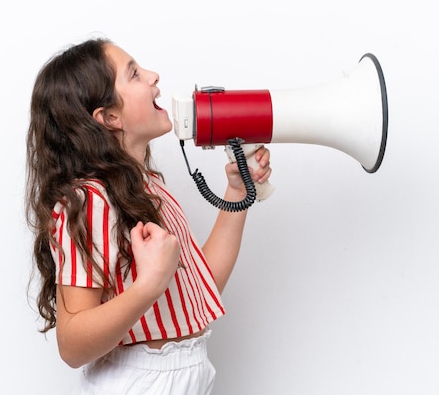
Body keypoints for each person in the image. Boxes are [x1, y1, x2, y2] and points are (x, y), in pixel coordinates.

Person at [25, 37, 272, 394]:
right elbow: (72, 345)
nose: (154, 77)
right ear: (108, 117)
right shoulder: (88, 200)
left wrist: (238, 193)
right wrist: (149, 284)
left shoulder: (150, 187)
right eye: (135, 75)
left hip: (187, 374)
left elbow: (202, 288)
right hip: (141, 381)